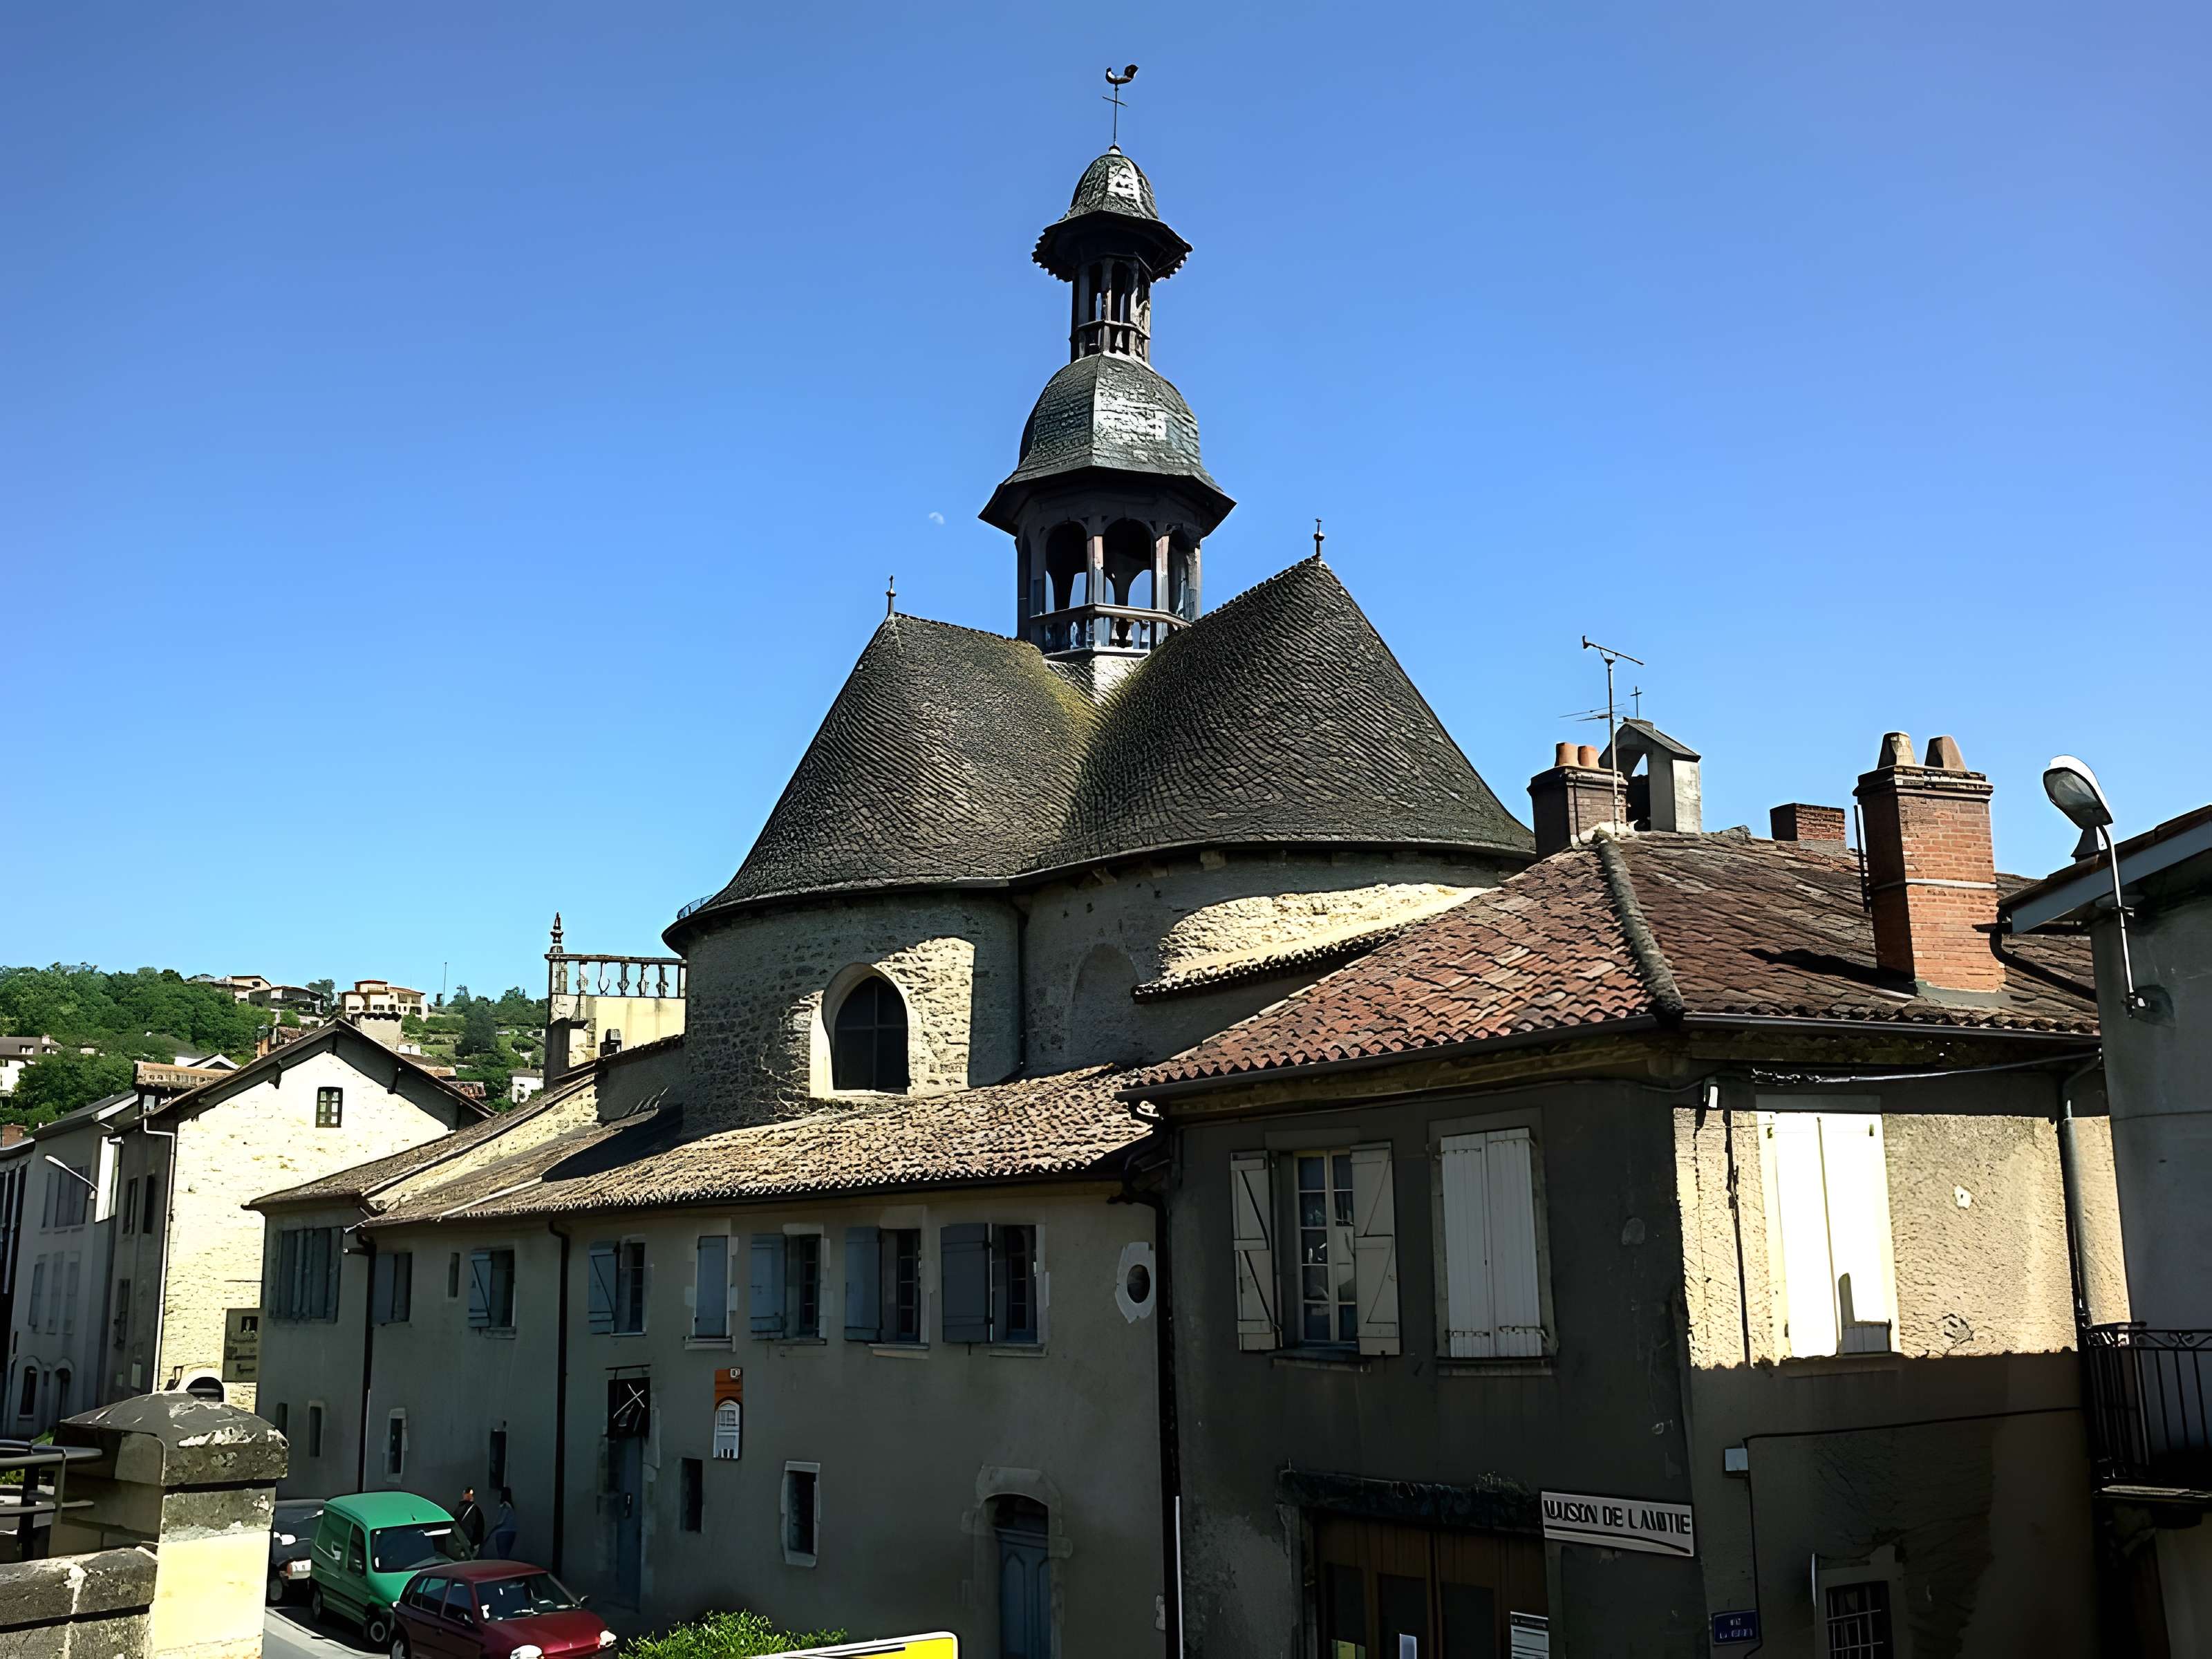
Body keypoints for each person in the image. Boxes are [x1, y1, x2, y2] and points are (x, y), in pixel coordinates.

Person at [455, 1485, 487, 1557]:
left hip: (461, 1543)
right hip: (470, 1543)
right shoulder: (475, 1509)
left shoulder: (458, 1509)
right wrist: (477, 1543)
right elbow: (480, 1527)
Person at [488, 1487, 518, 1560]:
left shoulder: (505, 1506)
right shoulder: (511, 1507)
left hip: (503, 1533)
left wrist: (493, 1529)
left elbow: (501, 1521)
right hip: (512, 1532)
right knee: (506, 1554)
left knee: (502, 1555)